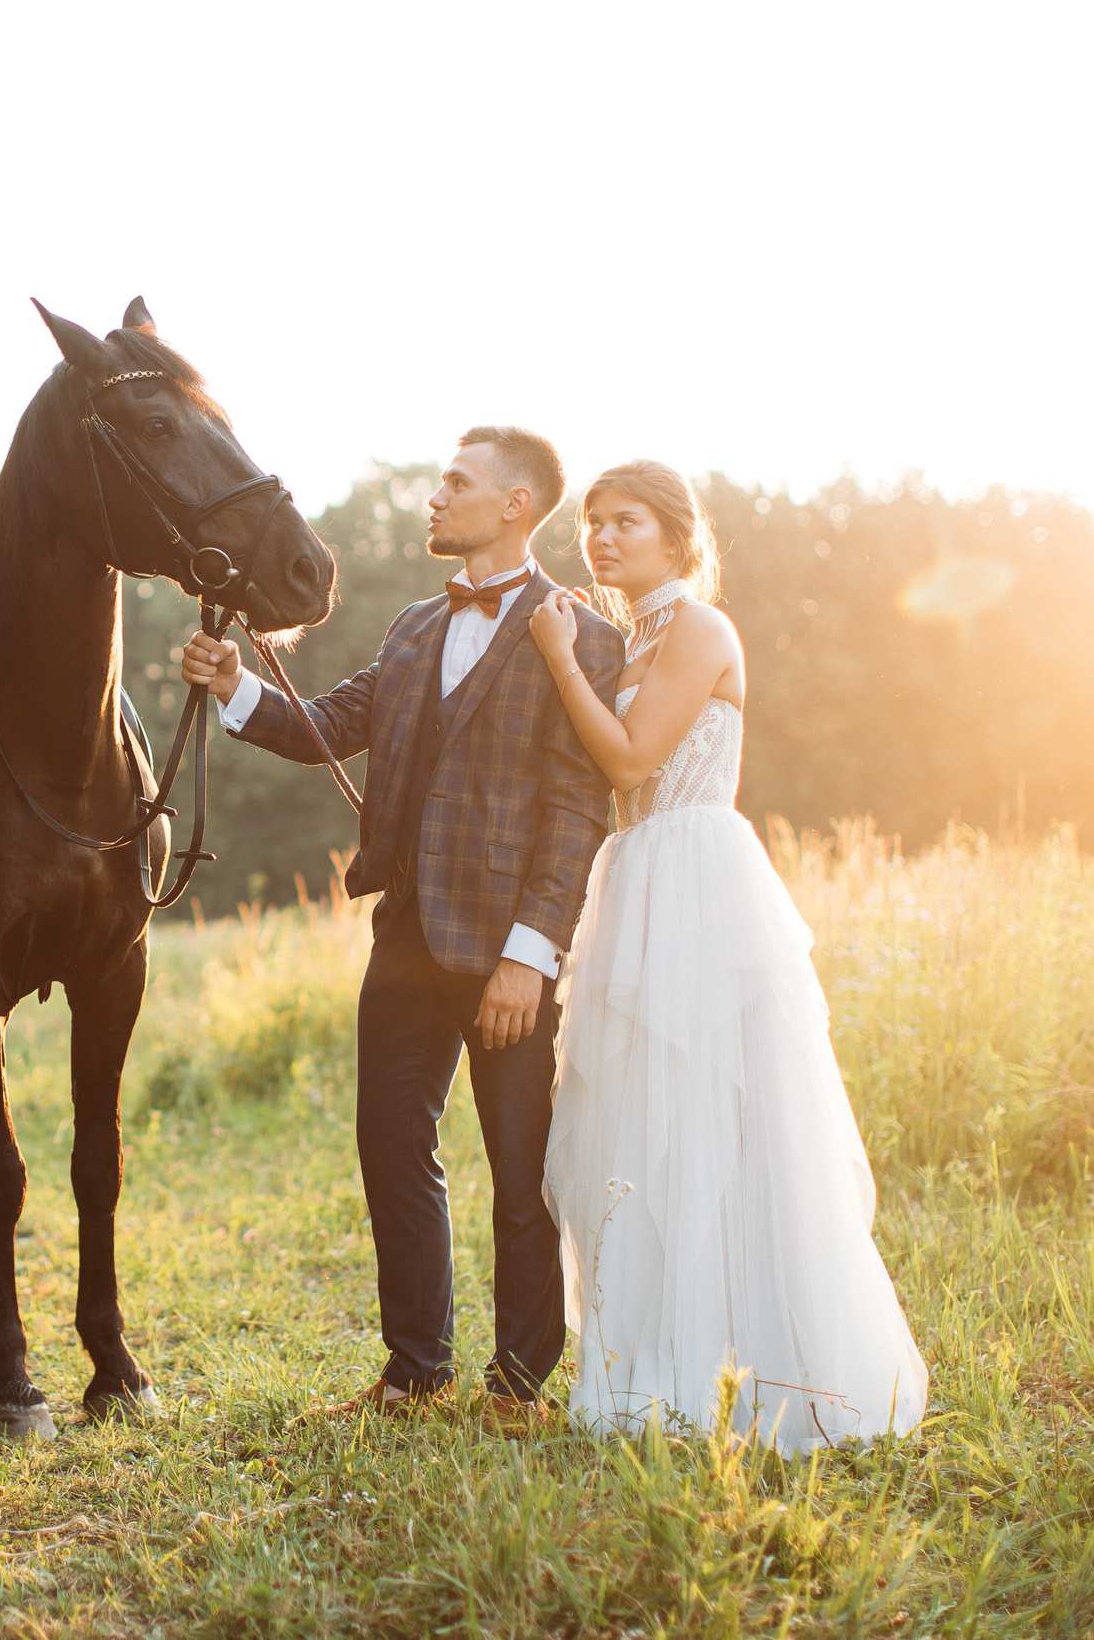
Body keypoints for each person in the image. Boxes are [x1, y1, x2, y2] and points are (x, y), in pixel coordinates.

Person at [178, 426, 623, 1421]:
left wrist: (529, 956)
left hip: (511, 947)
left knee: (521, 1167)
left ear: (515, 504)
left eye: (455, 484)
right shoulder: (415, 626)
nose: (435, 498)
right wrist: (230, 686)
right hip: (408, 935)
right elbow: (328, 724)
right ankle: (416, 1371)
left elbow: (572, 810)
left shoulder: (580, 633)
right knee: (390, 1141)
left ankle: (519, 1384)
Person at [527, 460, 928, 1452]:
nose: (603, 539)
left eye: (626, 523)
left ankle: (774, 1366)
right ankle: (665, 1359)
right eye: (593, 524)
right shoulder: (630, 636)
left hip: (699, 877)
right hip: (635, 878)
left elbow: (628, 760)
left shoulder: (699, 628)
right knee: (642, 1117)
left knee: (721, 1111)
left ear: (677, 536)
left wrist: (559, 660)